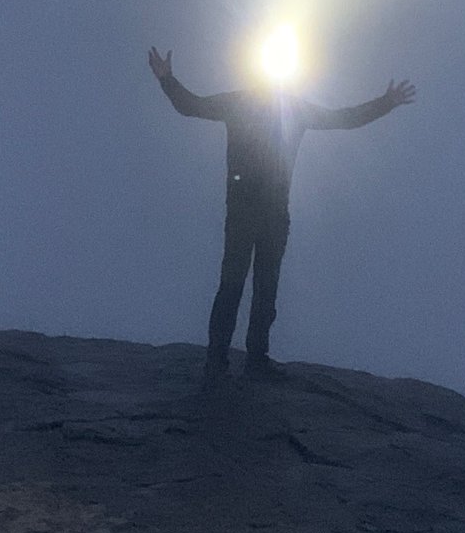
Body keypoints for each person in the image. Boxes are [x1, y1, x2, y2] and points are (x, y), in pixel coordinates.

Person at [148, 45, 415, 386]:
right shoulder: (241, 103)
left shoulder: (291, 109)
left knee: (265, 289)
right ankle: (217, 360)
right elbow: (191, 106)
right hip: (246, 212)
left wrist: (385, 103)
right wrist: (167, 79)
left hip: (273, 215)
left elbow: (343, 118)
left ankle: (254, 358)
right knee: (233, 286)